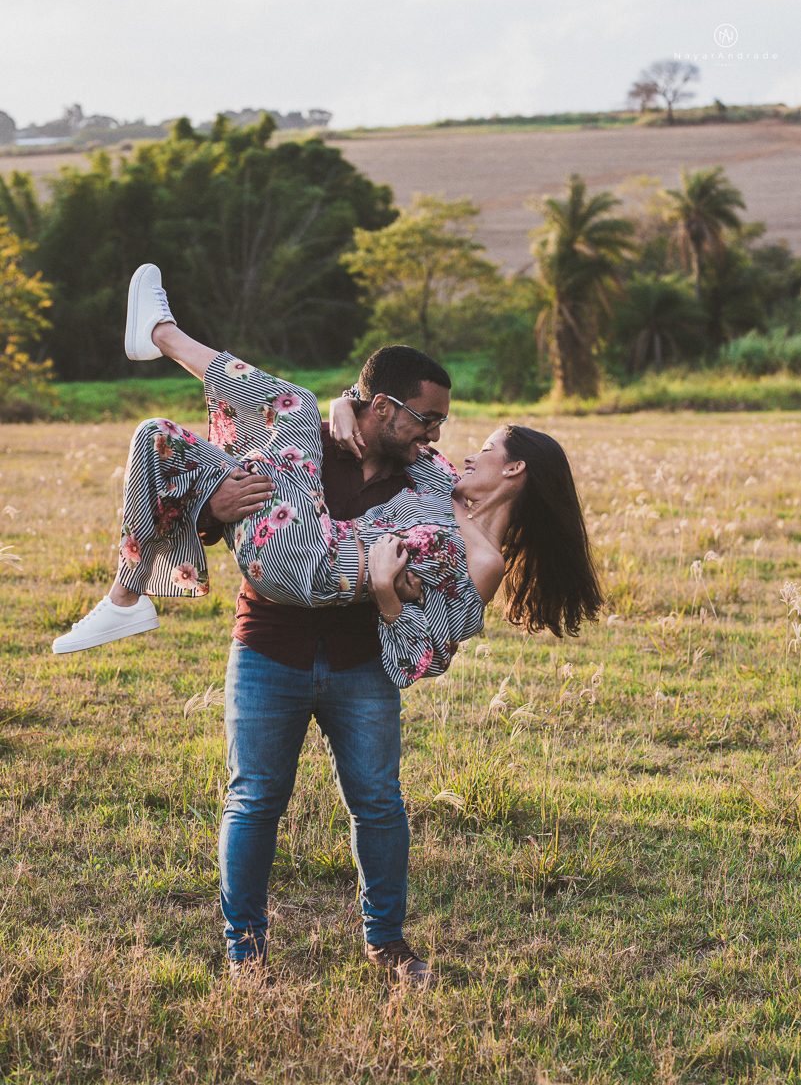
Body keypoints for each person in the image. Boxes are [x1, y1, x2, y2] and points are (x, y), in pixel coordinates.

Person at [54, 264, 603, 984]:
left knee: (377, 803)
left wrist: (384, 594)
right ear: (383, 408)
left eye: (459, 436)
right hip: (271, 633)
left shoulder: (440, 494)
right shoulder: (345, 445)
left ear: (512, 474)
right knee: (253, 799)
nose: (445, 439)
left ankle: (387, 942)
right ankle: (244, 947)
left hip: (353, 650)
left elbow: (424, 646)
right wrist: (218, 505)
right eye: (428, 421)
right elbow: (300, 457)